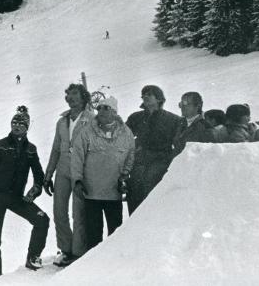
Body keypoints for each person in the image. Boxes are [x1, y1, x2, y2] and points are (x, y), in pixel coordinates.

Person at [0, 106, 49, 276]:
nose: (17, 126)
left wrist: (34, 190)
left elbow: (39, 175)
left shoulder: (30, 150)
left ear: (27, 127)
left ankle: (33, 257)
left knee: (42, 220)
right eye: (14, 122)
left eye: (21, 123)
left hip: (17, 198)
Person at [72, 96, 134, 251]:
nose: (101, 111)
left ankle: (112, 263)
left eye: (105, 108)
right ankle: (93, 266)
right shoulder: (87, 132)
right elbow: (77, 157)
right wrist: (78, 180)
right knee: (93, 234)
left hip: (113, 192)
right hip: (91, 193)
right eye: (99, 108)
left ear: (114, 111)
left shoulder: (126, 133)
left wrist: (125, 176)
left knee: (115, 232)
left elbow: (130, 156)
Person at [43, 83, 95, 267]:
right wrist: (48, 174)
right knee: (59, 210)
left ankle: (79, 252)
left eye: (75, 94)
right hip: (63, 171)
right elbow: (56, 148)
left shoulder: (91, 119)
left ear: (83, 97)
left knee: (78, 212)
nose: (71, 98)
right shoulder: (62, 121)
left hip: (81, 172)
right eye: (69, 95)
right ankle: (66, 248)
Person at [125, 85, 184, 213]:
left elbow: (179, 144)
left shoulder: (174, 120)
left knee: (153, 200)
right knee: (135, 198)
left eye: (149, 94)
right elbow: (123, 138)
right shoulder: (136, 117)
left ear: (159, 98)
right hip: (138, 164)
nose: (145, 97)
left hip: (160, 164)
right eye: (143, 94)